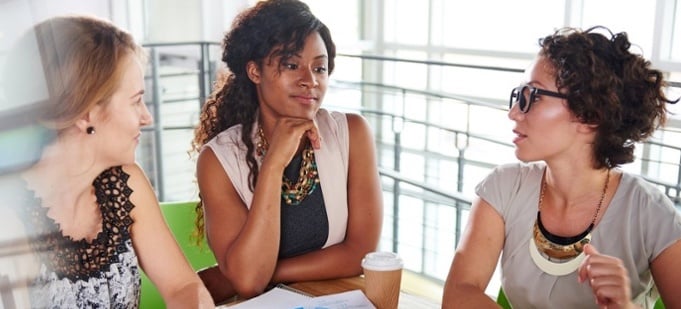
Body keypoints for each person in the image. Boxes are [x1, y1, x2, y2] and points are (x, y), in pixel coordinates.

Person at [442, 26, 681, 308]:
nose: (514, 112)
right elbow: (459, 294)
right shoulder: (503, 188)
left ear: (590, 115)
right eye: (518, 95)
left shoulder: (650, 214)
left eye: (533, 95)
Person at [1, 15, 214, 308]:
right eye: (136, 101)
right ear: (86, 113)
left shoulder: (124, 182)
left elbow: (182, 286)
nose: (147, 117)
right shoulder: (9, 220)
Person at [192, 0, 383, 300]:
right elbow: (248, 284)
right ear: (255, 71)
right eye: (291, 65)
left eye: (319, 68)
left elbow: (360, 253)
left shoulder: (352, 134)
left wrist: (266, 270)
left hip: (336, 300)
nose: (310, 81)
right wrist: (273, 164)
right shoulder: (217, 160)